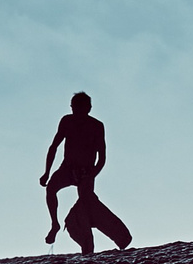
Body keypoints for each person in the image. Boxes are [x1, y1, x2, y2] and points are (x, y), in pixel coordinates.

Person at [40, 91, 132, 254]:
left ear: (88, 108)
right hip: (67, 169)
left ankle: (111, 239)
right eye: (74, 108)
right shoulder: (67, 121)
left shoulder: (96, 126)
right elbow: (54, 146)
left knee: (87, 203)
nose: (76, 112)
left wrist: (91, 175)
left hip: (87, 172)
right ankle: (55, 224)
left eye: (80, 108)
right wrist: (46, 172)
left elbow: (102, 157)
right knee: (51, 188)